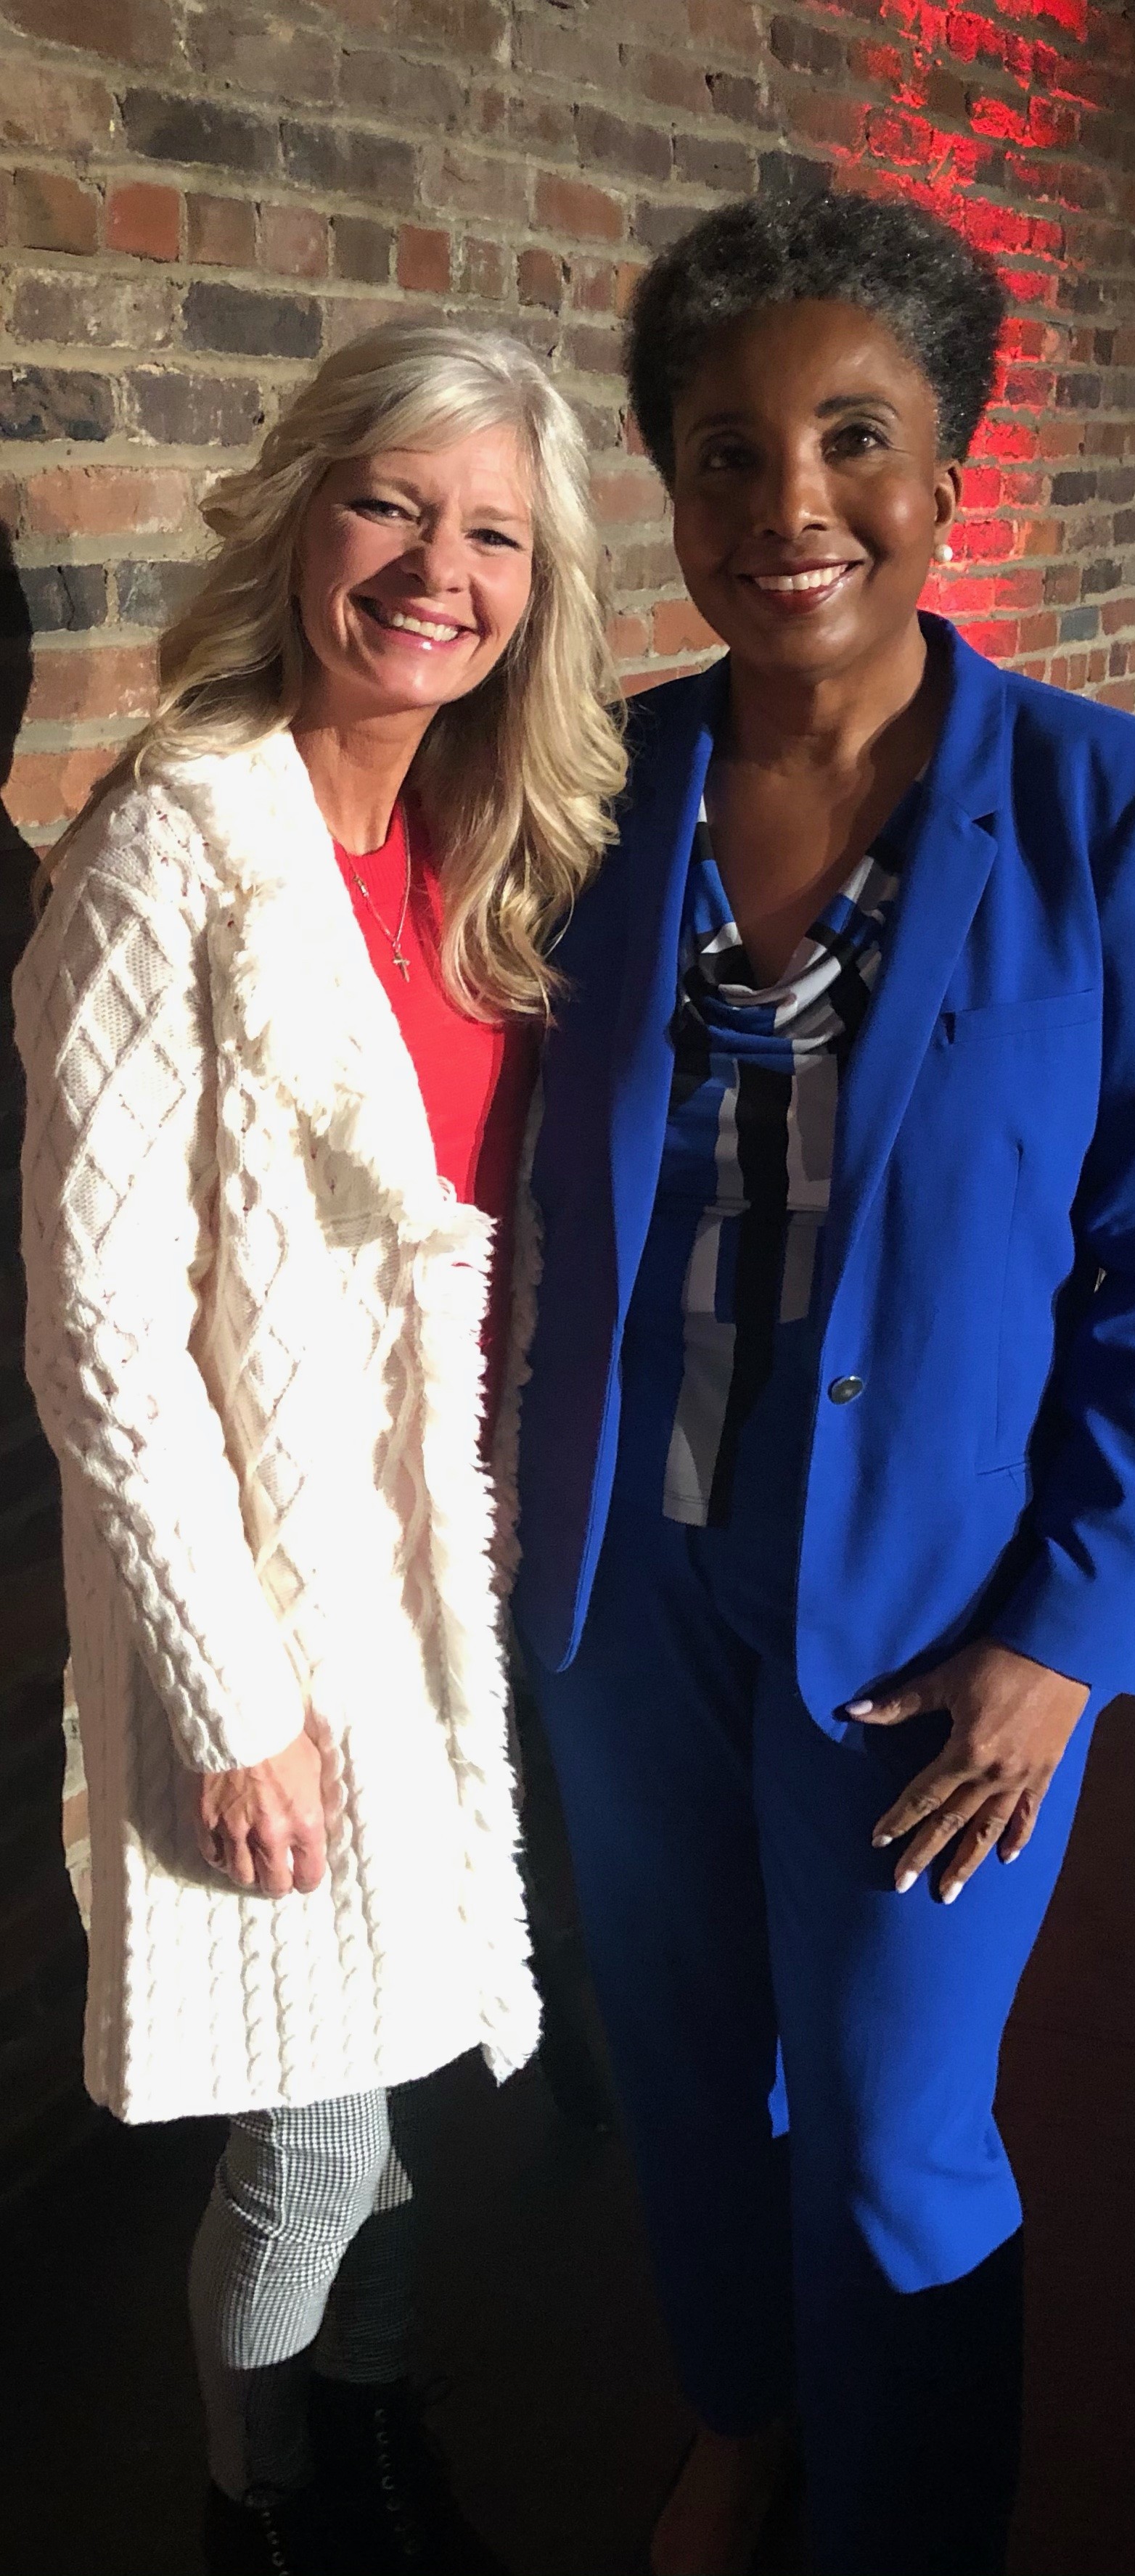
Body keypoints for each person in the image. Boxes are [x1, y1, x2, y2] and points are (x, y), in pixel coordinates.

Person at [514, 188, 1135, 2576]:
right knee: (681, 2069)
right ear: (669, 485)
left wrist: (1067, 1638)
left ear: (946, 469)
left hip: (938, 1606)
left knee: (888, 2118)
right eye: (724, 452)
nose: (788, 504)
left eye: (851, 438)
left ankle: (906, 2523)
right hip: (627, 1586)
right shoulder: (591, 793)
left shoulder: (1112, 809)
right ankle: (742, 2422)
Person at [15, 317, 623, 2576]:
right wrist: (234, 1700)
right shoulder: (170, 848)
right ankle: (255, 2500)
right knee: (312, 2136)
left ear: (537, 586)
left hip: (441, 1592)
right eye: (391, 503)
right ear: (300, 517)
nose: (436, 569)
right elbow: (98, 1334)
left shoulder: (484, 849)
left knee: (401, 2097)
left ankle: (367, 2436)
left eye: (492, 533)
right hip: (268, 1618)